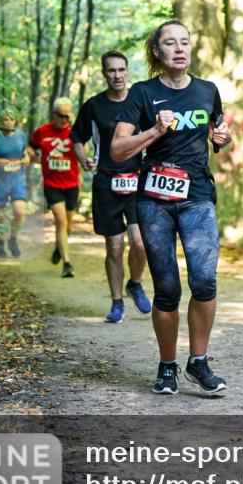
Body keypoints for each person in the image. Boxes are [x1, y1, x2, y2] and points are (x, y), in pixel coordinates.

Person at [111, 20, 233, 396]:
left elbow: (217, 133)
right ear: (157, 52)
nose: (179, 48)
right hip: (154, 201)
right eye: (170, 43)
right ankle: (167, 367)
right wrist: (153, 132)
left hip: (196, 196)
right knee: (166, 288)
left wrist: (222, 138)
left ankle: (198, 362)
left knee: (204, 280)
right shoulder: (142, 94)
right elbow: (118, 149)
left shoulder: (207, 91)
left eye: (184, 42)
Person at [72, 50, 153, 323]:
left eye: (121, 70)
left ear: (127, 71)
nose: (117, 75)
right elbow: (77, 139)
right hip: (106, 181)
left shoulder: (140, 101)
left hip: (137, 179)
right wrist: (85, 160)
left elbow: (156, 136)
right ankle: (117, 302)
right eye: (111, 71)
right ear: (104, 73)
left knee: (140, 243)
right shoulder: (94, 106)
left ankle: (136, 283)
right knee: (115, 247)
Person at [31, 98, 80, 278]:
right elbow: (31, 147)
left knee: (68, 226)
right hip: (52, 184)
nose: (64, 119)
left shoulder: (74, 131)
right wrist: (32, 155)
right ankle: (67, 264)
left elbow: (85, 150)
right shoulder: (42, 131)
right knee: (60, 221)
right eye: (61, 115)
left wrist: (74, 126)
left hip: (72, 184)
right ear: (54, 114)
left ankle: (59, 247)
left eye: (67, 116)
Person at [0, 115, 31, 257]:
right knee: (0, 215)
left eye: (10, 119)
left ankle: (13, 239)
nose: (7, 122)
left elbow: (25, 153)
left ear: (15, 121)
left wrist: (26, 159)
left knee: (20, 212)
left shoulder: (21, 136)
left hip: (17, 179)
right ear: (0, 122)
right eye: (4, 120)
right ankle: (0, 243)